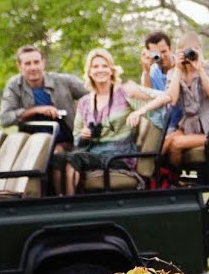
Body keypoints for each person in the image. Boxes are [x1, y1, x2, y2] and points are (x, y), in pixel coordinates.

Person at [58, 48, 172, 196]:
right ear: (89, 72)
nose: (100, 70)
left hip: (118, 156)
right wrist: (84, 136)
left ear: (111, 70)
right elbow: (77, 139)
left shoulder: (123, 93)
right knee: (58, 159)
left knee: (75, 158)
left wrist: (140, 111)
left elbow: (166, 97)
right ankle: (59, 203)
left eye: (104, 66)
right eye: (95, 66)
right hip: (92, 153)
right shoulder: (84, 102)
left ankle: (70, 206)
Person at [160, 33, 209, 169]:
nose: (189, 55)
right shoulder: (175, 72)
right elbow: (172, 100)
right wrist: (177, 70)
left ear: (200, 51)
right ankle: (160, 181)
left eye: (193, 51)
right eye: (185, 51)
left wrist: (200, 70)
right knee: (165, 142)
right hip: (189, 128)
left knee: (176, 143)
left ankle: (175, 182)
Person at [0, 45, 88, 149]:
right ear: (19, 66)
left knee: (56, 152)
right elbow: (5, 119)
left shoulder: (63, 81)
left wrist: (84, 119)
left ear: (43, 63)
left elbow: (94, 96)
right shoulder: (14, 85)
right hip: (32, 143)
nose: (33, 67)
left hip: (66, 140)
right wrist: (36, 110)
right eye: (27, 63)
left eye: (36, 62)